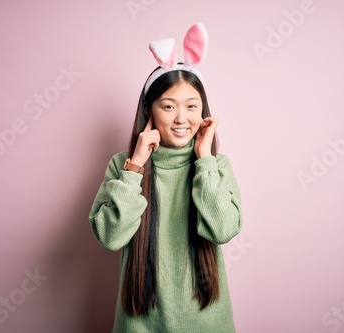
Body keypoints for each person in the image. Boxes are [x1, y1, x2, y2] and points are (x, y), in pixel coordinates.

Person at [89, 23, 243, 333]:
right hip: (140, 322)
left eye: (191, 107)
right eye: (169, 106)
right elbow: (109, 237)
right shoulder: (124, 165)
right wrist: (136, 167)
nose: (181, 118)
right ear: (149, 110)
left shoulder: (215, 166)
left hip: (206, 320)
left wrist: (204, 160)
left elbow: (223, 229)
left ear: (203, 112)